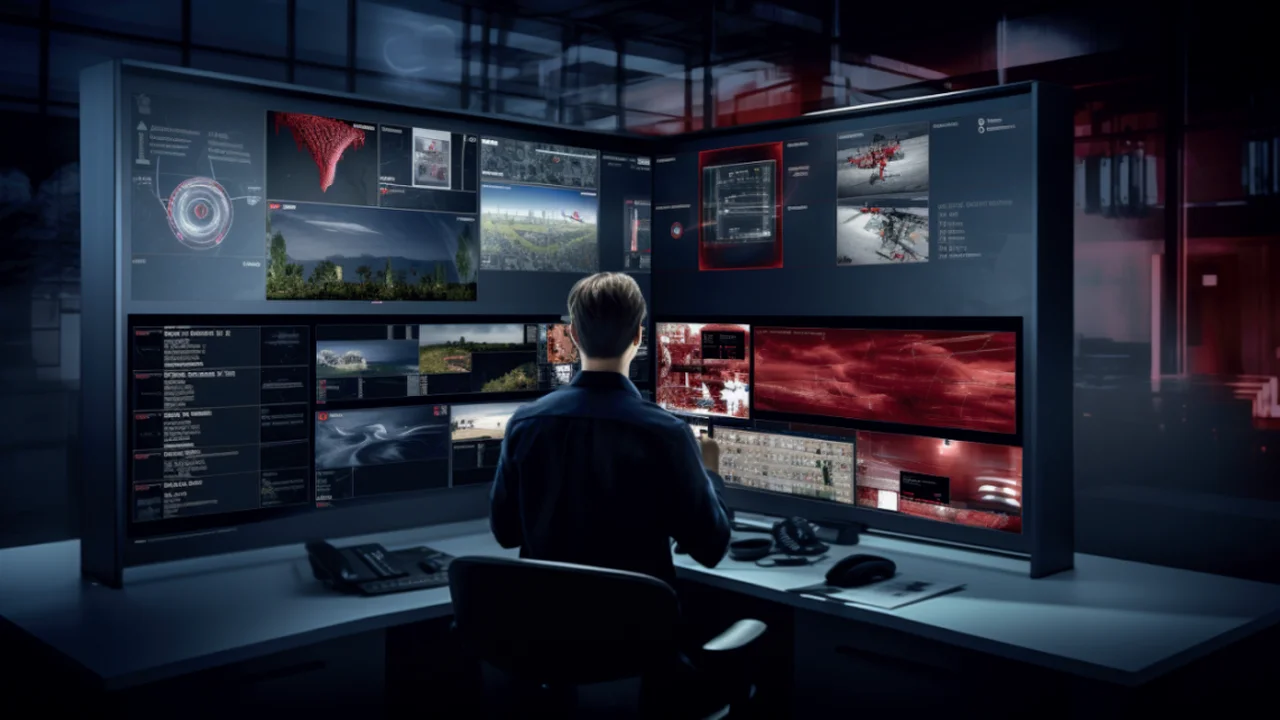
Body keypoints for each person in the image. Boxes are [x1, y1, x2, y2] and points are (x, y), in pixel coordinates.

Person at [489, 272, 732, 583]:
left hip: (546, 627)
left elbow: (506, 534)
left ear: (574, 334)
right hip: (636, 629)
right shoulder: (666, 433)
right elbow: (711, 548)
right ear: (638, 336)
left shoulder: (525, 425)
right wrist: (709, 471)